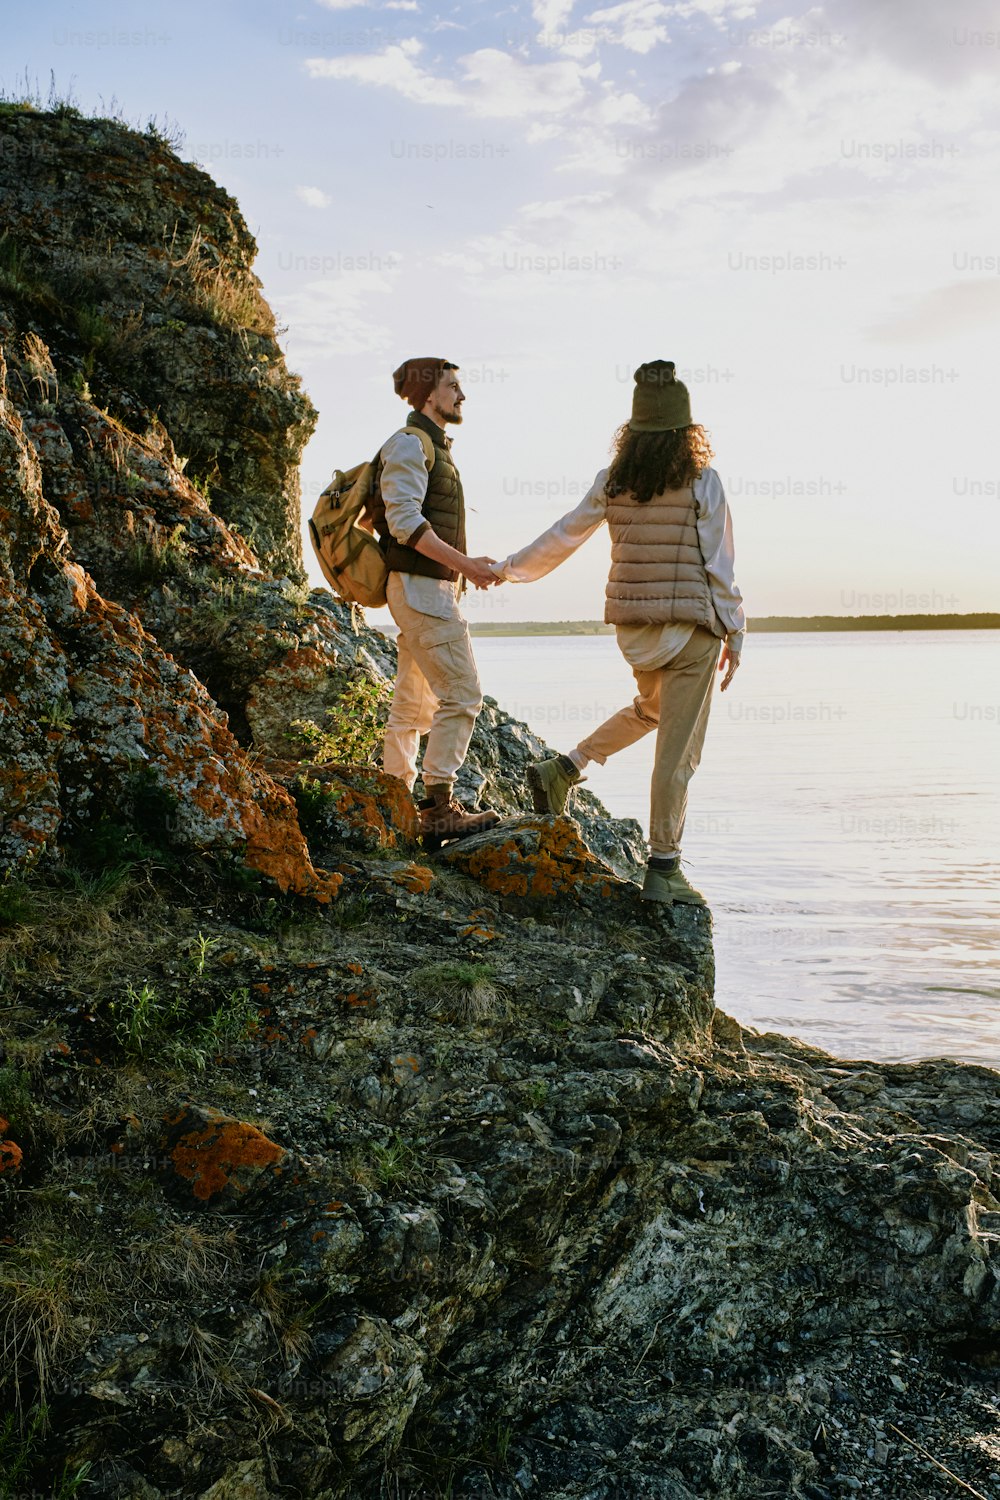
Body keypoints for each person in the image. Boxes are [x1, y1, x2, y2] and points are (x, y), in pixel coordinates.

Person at [490, 361, 744, 904]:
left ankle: (566, 767)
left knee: (652, 711)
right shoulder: (704, 481)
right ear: (686, 432)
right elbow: (720, 566)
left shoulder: (613, 482)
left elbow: (564, 535)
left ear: (631, 434)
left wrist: (510, 568)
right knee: (678, 754)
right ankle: (663, 867)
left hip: (634, 632)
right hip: (690, 631)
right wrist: (736, 632)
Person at [369, 357, 501, 849]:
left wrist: (463, 567)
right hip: (423, 592)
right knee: (463, 695)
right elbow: (403, 521)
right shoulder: (411, 443)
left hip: (421, 590)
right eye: (453, 386)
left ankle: (396, 799)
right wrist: (465, 565)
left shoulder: (430, 446)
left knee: (413, 704)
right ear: (429, 394)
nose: (462, 395)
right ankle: (439, 808)